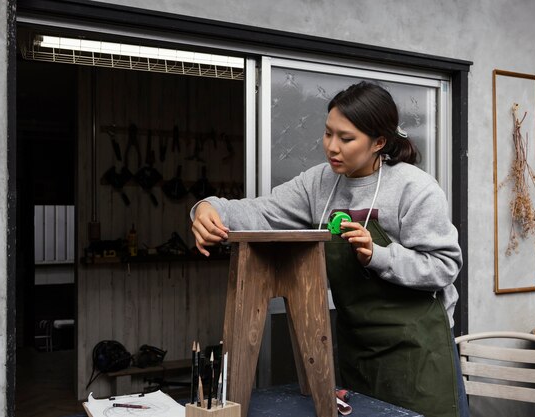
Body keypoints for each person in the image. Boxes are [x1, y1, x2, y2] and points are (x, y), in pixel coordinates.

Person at [190, 81, 467, 417]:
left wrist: (377, 255)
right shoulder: (318, 183)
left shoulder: (414, 189)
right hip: (356, 349)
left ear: (379, 142)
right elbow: (261, 213)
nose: (331, 147)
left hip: (419, 353)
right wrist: (208, 209)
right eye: (328, 133)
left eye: (346, 138)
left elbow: (444, 266)